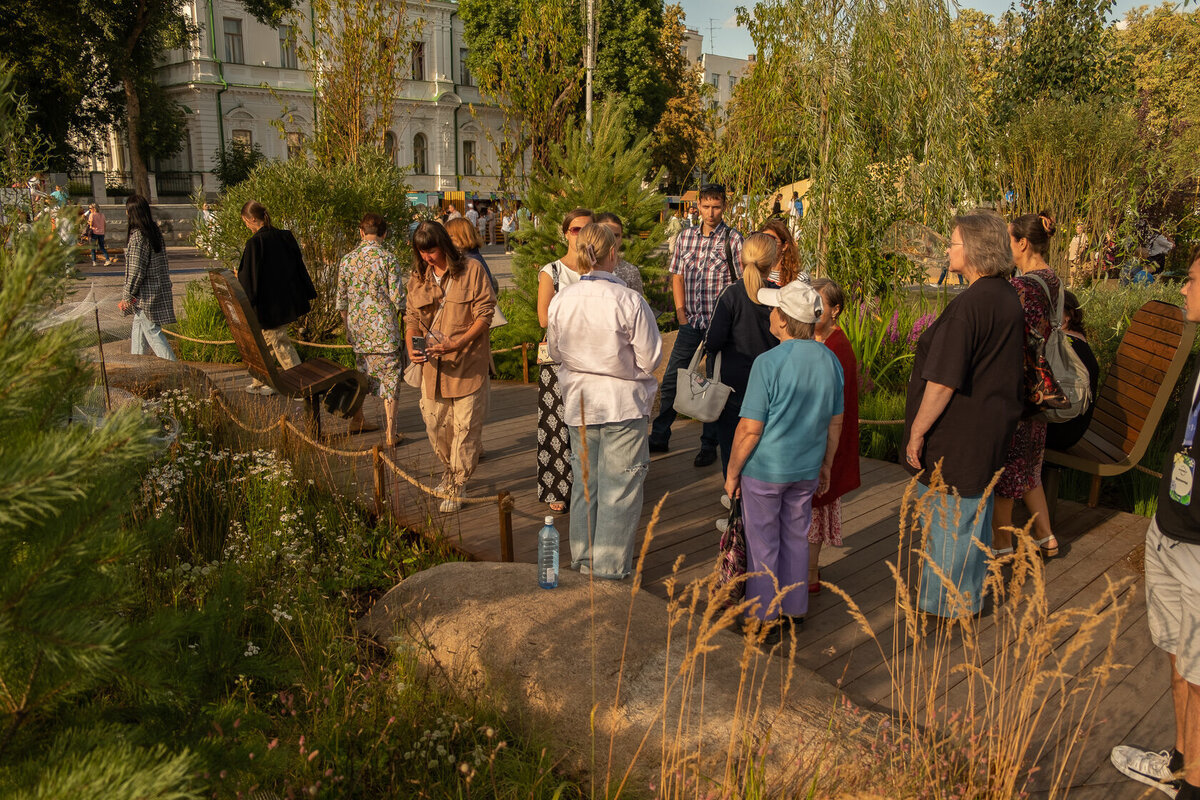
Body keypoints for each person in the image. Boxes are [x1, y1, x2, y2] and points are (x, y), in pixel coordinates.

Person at [1110, 246, 1200, 800]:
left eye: (1192, 281)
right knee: (1179, 661)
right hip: (1170, 527)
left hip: (1196, 547)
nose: (1184, 290)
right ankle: (1184, 760)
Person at [902, 212, 1024, 618]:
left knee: (950, 523)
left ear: (973, 249)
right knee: (971, 518)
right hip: (989, 429)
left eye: (953, 243)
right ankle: (967, 600)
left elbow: (942, 382)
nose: (948, 250)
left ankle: (945, 610)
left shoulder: (970, 305)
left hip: (959, 436)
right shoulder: (1006, 296)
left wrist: (917, 431)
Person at [723, 279, 844, 641]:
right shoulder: (830, 359)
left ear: (785, 320)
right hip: (806, 467)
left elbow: (749, 429)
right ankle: (794, 608)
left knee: (763, 542)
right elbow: (834, 422)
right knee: (795, 535)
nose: (770, 314)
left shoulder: (768, 362)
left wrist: (732, 473)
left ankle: (763, 615)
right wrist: (826, 464)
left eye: (775, 309)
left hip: (765, 469)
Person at [547, 223, 662, 580]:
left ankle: (583, 563)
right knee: (620, 490)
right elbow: (651, 357)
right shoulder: (628, 300)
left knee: (585, 488)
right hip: (621, 402)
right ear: (613, 254)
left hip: (579, 401)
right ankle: (609, 572)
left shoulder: (562, 299)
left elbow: (554, 351)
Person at [649, 185, 744, 466]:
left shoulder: (733, 239)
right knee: (672, 380)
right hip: (691, 322)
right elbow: (676, 275)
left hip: (720, 327)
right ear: (698, 206)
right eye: (706, 206)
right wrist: (680, 314)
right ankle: (660, 434)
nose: (711, 212)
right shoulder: (685, 237)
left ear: (724, 206)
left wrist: (731, 322)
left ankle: (708, 444)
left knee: (714, 385)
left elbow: (740, 285)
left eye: (716, 207)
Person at [405, 221, 495, 512]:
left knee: (465, 428)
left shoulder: (472, 270)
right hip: (432, 370)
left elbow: (485, 313)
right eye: (422, 253)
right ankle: (449, 471)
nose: (428, 258)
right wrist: (411, 348)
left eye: (432, 251)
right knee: (436, 426)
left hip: (468, 365)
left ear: (444, 244)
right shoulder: (418, 276)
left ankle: (458, 483)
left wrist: (457, 343)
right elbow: (410, 319)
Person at [991, 211, 1064, 559]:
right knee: (1031, 466)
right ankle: (1046, 537)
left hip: (1021, 388)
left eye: (1009, 239)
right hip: (1043, 386)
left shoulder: (1023, 287)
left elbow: (1014, 340)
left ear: (1022, 243)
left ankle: (1001, 544)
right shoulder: (1053, 280)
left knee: (1007, 468)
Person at [704, 233, 780, 484]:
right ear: (773, 260)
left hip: (733, 386)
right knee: (766, 447)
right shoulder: (779, 296)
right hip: (773, 384)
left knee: (732, 446)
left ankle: (735, 505)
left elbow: (712, 341)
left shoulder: (731, 294)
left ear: (740, 257)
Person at [536, 208, 593, 513]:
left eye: (587, 229)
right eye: (575, 229)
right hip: (560, 357)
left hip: (591, 359)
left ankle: (587, 483)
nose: (581, 235)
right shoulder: (553, 271)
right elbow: (544, 316)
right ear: (565, 233)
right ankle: (557, 487)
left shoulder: (597, 269)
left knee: (587, 422)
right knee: (556, 423)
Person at [808, 278, 860, 595]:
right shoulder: (814, 339)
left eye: (820, 304)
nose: (813, 310)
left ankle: (809, 576)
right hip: (815, 437)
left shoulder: (838, 347)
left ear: (836, 309)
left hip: (826, 441)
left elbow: (834, 407)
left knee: (815, 508)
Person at [336, 213, 406, 445]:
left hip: (359, 329)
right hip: (385, 329)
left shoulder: (347, 260)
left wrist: (347, 326)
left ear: (361, 232)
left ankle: (358, 419)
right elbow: (398, 299)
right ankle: (391, 432)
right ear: (384, 233)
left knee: (363, 374)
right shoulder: (388, 259)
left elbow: (342, 300)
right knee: (391, 378)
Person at [236, 201, 318, 396]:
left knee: (279, 342)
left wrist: (237, 278)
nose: (246, 225)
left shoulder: (255, 243)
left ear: (252, 219)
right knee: (266, 342)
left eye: (246, 221)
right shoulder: (285, 236)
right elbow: (297, 266)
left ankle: (300, 386)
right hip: (287, 300)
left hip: (268, 305)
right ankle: (261, 380)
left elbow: (248, 277)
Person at [118, 194, 177, 361]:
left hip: (145, 295)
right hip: (155, 290)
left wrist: (127, 296)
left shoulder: (138, 237)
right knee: (138, 330)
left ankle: (176, 372)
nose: (126, 214)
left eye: (127, 211)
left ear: (133, 213)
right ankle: (136, 369)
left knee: (152, 332)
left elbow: (136, 271)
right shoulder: (153, 231)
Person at [1044, 291, 1099, 453]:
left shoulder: (1063, 345)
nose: (1046, 315)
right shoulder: (1078, 341)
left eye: (1053, 310)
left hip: (1060, 429)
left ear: (1069, 316)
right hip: (1073, 427)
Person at [445, 217, 500, 294]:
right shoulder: (472, 255)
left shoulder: (470, 261)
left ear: (462, 236)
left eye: (450, 236)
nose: (447, 240)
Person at [595, 212, 644, 294]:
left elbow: (638, 303)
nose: (611, 240)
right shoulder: (584, 269)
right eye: (605, 234)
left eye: (616, 235)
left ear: (621, 238)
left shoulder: (630, 272)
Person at [760, 217, 807, 284]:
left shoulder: (799, 279)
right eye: (763, 240)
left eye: (772, 240)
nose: (766, 244)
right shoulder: (757, 276)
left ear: (784, 246)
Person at [1068, 222, 1090, 286]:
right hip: (1072, 256)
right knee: (1071, 271)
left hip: (1077, 256)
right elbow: (1070, 246)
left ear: (1082, 229)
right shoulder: (1074, 237)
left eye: (1079, 228)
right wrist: (1067, 254)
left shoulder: (1084, 236)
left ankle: (1077, 285)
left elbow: (1083, 247)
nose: (1078, 230)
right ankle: (1072, 285)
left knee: (1077, 271)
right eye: (1077, 228)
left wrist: (1079, 256)